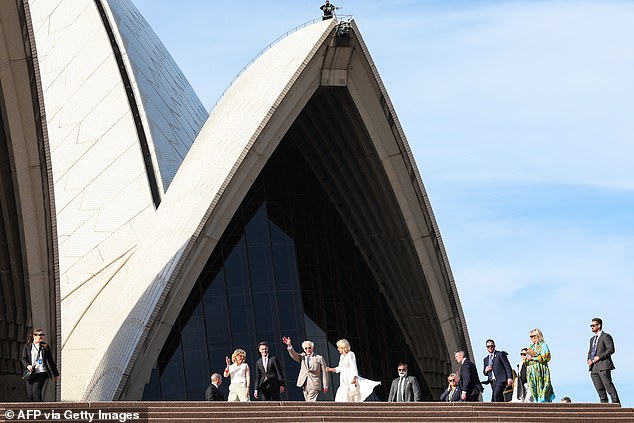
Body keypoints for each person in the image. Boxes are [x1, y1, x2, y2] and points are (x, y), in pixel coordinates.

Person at [282, 336, 328, 401]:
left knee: (311, 401)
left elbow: (325, 372)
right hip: (304, 383)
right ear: (304, 349)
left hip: (314, 383)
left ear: (312, 348)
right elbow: (294, 355)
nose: (308, 350)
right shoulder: (302, 357)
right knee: (307, 401)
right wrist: (289, 345)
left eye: (309, 348)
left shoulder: (319, 358)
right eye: (306, 348)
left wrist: (325, 385)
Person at [587, 317, 620, 404]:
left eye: (593, 325)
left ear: (599, 325)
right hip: (593, 367)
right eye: (591, 326)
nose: (592, 327)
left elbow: (611, 349)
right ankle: (604, 406)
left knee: (609, 386)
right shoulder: (592, 339)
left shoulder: (606, 336)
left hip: (604, 365)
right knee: (599, 389)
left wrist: (599, 357)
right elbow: (590, 351)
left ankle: (616, 405)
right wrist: (589, 359)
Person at [21, 328, 59, 401]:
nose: (41, 336)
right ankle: (39, 408)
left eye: (42, 335)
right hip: (31, 372)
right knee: (31, 395)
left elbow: (50, 360)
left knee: (36, 392)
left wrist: (55, 374)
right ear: (34, 336)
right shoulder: (27, 346)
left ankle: (42, 410)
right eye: (40, 335)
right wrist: (27, 365)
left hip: (42, 372)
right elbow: (23, 358)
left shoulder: (45, 346)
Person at [524, 328, 555, 402]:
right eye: (530, 336)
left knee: (542, 386)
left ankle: (542, 401)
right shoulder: (530, 346)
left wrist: (534, 358)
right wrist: (527, 359)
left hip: (541, 369)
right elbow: (526, 361)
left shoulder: (543, 345)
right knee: (533, 387)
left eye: (533, 336)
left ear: (538, 336)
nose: (531, 338)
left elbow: (547, 357)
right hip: (532, 370)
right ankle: (536, 401)